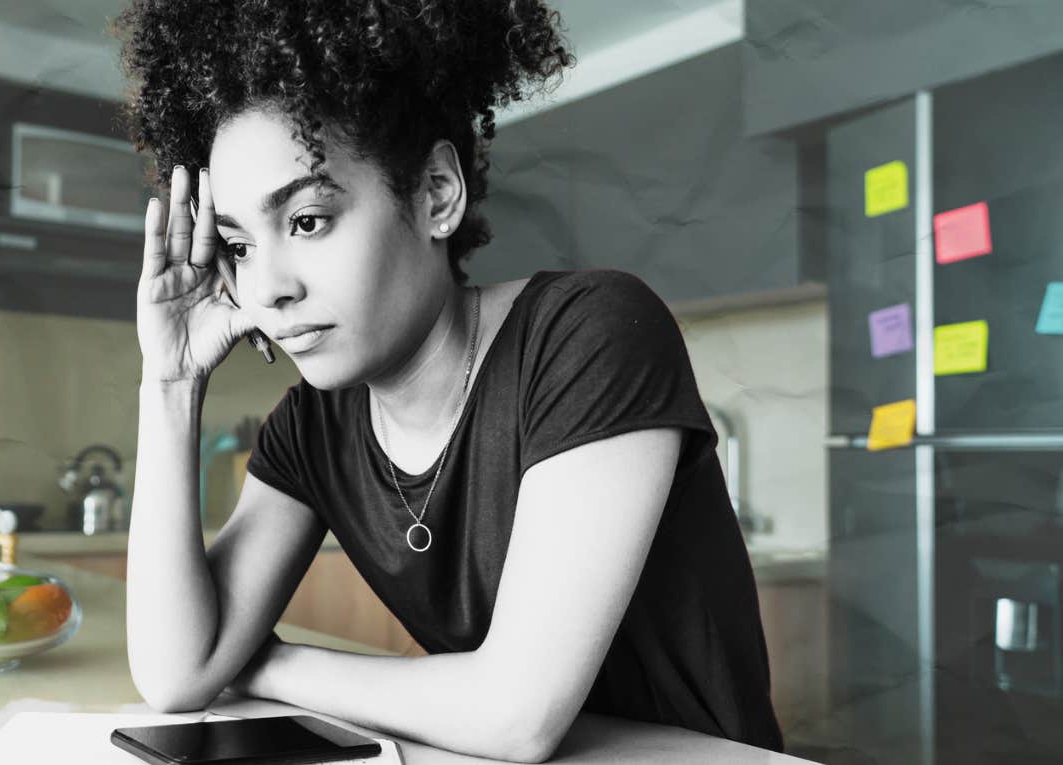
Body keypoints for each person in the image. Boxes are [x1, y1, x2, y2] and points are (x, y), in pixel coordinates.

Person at [111, 0, 784, 760]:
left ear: (435, 193)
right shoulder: (315, 425)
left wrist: (269, 660)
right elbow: (175, 674)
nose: (266, 288)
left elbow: (514, 716)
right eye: (236, 245)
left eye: (305, 220)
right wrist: (168, 383)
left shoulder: (592, 333)